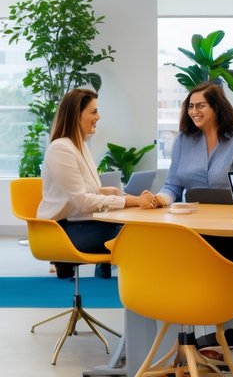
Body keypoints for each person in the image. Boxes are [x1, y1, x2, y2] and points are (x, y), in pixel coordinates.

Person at [150, 82, 233, 348]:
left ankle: (228, 330)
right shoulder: (183, 140)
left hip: (227, 228)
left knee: (219, 273)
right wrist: (160, 199)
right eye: (190, 106)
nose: (194, 111)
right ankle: (195, 330)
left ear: (216, 107)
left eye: (200, 106)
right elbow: (173, 184)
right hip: (192, 226)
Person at [38, 88, 156, 279]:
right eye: (93, 112)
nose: (98, 117)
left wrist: (113, 192)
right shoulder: (61, 149)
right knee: (136, 233)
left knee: (138, 228)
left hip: (79, 223)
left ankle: (117, 280)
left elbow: (85, 191)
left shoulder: (80, 146)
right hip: (62, 230)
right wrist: (133, 201)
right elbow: (81, 201)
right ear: (76, 115)